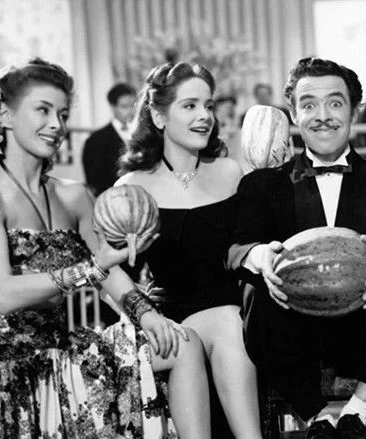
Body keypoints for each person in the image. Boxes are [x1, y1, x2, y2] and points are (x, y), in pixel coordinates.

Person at [0, 58, 211, 438]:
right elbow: (2, 294)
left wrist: (148, 316)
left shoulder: (73, 195)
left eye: (63, 114)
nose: (57, 125)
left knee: (183, 342)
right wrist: (90, 269)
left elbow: (108, 271)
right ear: (5, 115)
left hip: (62, 348)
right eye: (43, 110)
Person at [226, 57, 366, 439]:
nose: (322, 116)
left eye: (335, 103)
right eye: (309, 104)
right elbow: (237, 248)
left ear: (353, 111)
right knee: (255, 291)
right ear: (294, 113)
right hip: (296, 332)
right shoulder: (263, 185)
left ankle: (358, 409)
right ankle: (317, 416)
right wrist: (263, 257)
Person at [116, 62, 261, 439]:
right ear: (159, 116)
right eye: (190, 106)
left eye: (208, 106)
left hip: (237, 313)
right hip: (173, 320)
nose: (204, 116)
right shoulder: (133, 185)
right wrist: (145, 312)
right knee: (226, 322)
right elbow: (110, 272)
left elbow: (252, 248)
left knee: (230, 320)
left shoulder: (231, 172)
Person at [82, 82, 136, 195]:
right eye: (124, 106)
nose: (131, 111)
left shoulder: (145, 134)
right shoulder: (95, 140)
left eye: (133, 106)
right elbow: (95, 182)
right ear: (113, 107)